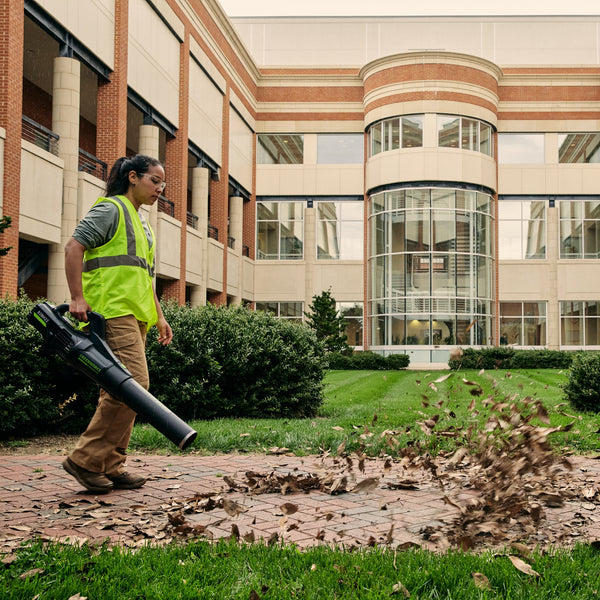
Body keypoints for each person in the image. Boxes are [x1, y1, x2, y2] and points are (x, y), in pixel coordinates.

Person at [62, 154, 173, 494]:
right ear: (133, 177)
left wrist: (159, 316)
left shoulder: (142, 223)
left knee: (119, 390)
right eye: (155, 181)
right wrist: (77, 298)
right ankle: (85, 459)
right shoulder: (111, 209)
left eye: (162, 184)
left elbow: (144, 275)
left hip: (134, 314)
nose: (160, 189)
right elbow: (73, 247)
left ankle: (111, 464)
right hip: (110, 312)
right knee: (134, 386)